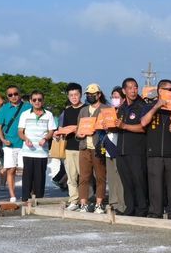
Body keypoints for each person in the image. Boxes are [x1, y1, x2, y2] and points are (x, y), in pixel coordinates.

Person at [140, 79, 171, 219]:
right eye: (170, 90)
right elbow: (143, 122)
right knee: (155, 185)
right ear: (160, 91)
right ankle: (155, 212)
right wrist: (156, 106)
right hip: (154, 153)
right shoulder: (149, 106)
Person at [115, 78, 148, 217]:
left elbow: (143, 128)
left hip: (136, 150)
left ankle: (142, 209)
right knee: (126, 181)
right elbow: (117, 126)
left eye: (135, 87)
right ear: (124, 91)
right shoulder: (121, 108)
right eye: (130, 88)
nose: (133, 90)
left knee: (138, 180)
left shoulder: (142, 106)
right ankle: (130, 208)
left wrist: (124, 126)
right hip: (121, 151)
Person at [17, 90, 56, 203]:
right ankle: (25, 199)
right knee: (27, 176)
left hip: (42, 152)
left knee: (40, 177)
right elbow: (20, 131)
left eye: (39, 99)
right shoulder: (25, 114)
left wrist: (45, 138)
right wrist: (26, 139)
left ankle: (39, 200)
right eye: (34, 100)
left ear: (43, 101)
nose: (37, 102)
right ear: (30, 101)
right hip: (28, 150)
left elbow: (51, 131)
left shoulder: (48, 114)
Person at [0, 85, 31, 203]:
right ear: (7, 96)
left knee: (26, 170)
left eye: (15, 94)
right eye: (10, 95)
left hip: (24, 144)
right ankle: (12, 195)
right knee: (11, 170)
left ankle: (28, 193)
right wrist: (3, 140)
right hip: (9, 144)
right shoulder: (4, 108)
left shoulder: (28, 106)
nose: (13, 96)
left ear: (19, 94)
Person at [76, 84, 108, 213]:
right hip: (84, 147)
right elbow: (78, 130)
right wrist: (79, 134)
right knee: (83, 177)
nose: (90, 96)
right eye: (88, 94)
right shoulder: (83, 110)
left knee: (100, 176)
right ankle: (83, 203)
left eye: (92, 94)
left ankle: (99, 204)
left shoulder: (106, 109)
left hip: (99, 147)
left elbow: (110, 128)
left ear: (99, 94)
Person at [53, 83, 85, 211]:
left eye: (76, 94)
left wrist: (73, 128)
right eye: (71, 95)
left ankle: (84, 201)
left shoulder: (86, 109)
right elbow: (61, 128)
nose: (74, 97)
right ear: (68, 96)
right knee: (71, 177)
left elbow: (86, 126)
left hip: (83, 147)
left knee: (84, 177)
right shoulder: (66, 111)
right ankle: (73, 200)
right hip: (68, 147)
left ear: (80, 95)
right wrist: (57, 133)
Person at [105, 86, 125, 215]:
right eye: (113, 97)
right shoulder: (109, 111)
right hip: (108, 147)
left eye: (117, 97)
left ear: (123, 99)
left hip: (120, 146)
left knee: (120, 177)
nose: (114, 99)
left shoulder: (124, 111)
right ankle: (113, 202)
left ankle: (122, 205)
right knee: (111, 177)